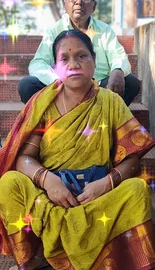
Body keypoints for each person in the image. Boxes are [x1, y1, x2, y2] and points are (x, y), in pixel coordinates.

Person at [0, 29, 154, 270]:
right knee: (9, 183)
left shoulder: (110, 101)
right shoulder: (43, 102)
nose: (74, 64)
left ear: (94, 62)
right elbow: (23, 159)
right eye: (65, 59)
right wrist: (49, 181)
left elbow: (132, 160)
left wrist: (105, 184)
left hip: (97, 196)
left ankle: (103, 259)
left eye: (82, 56)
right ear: (55, 67)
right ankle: (37, 260)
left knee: (137, 190)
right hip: (52, 198)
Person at [18, 0, 139, 106]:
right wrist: (60, 83)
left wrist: (118, 70)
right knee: (27, 85)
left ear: (94, 5)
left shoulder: (105, 30)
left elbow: (118, 56)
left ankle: (97, 119)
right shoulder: (54, 31)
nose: (78, 2)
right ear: (64, 3)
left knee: (131, 82)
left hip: (98, 92)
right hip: (62, 91)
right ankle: (60, 122)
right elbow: (38, 63)